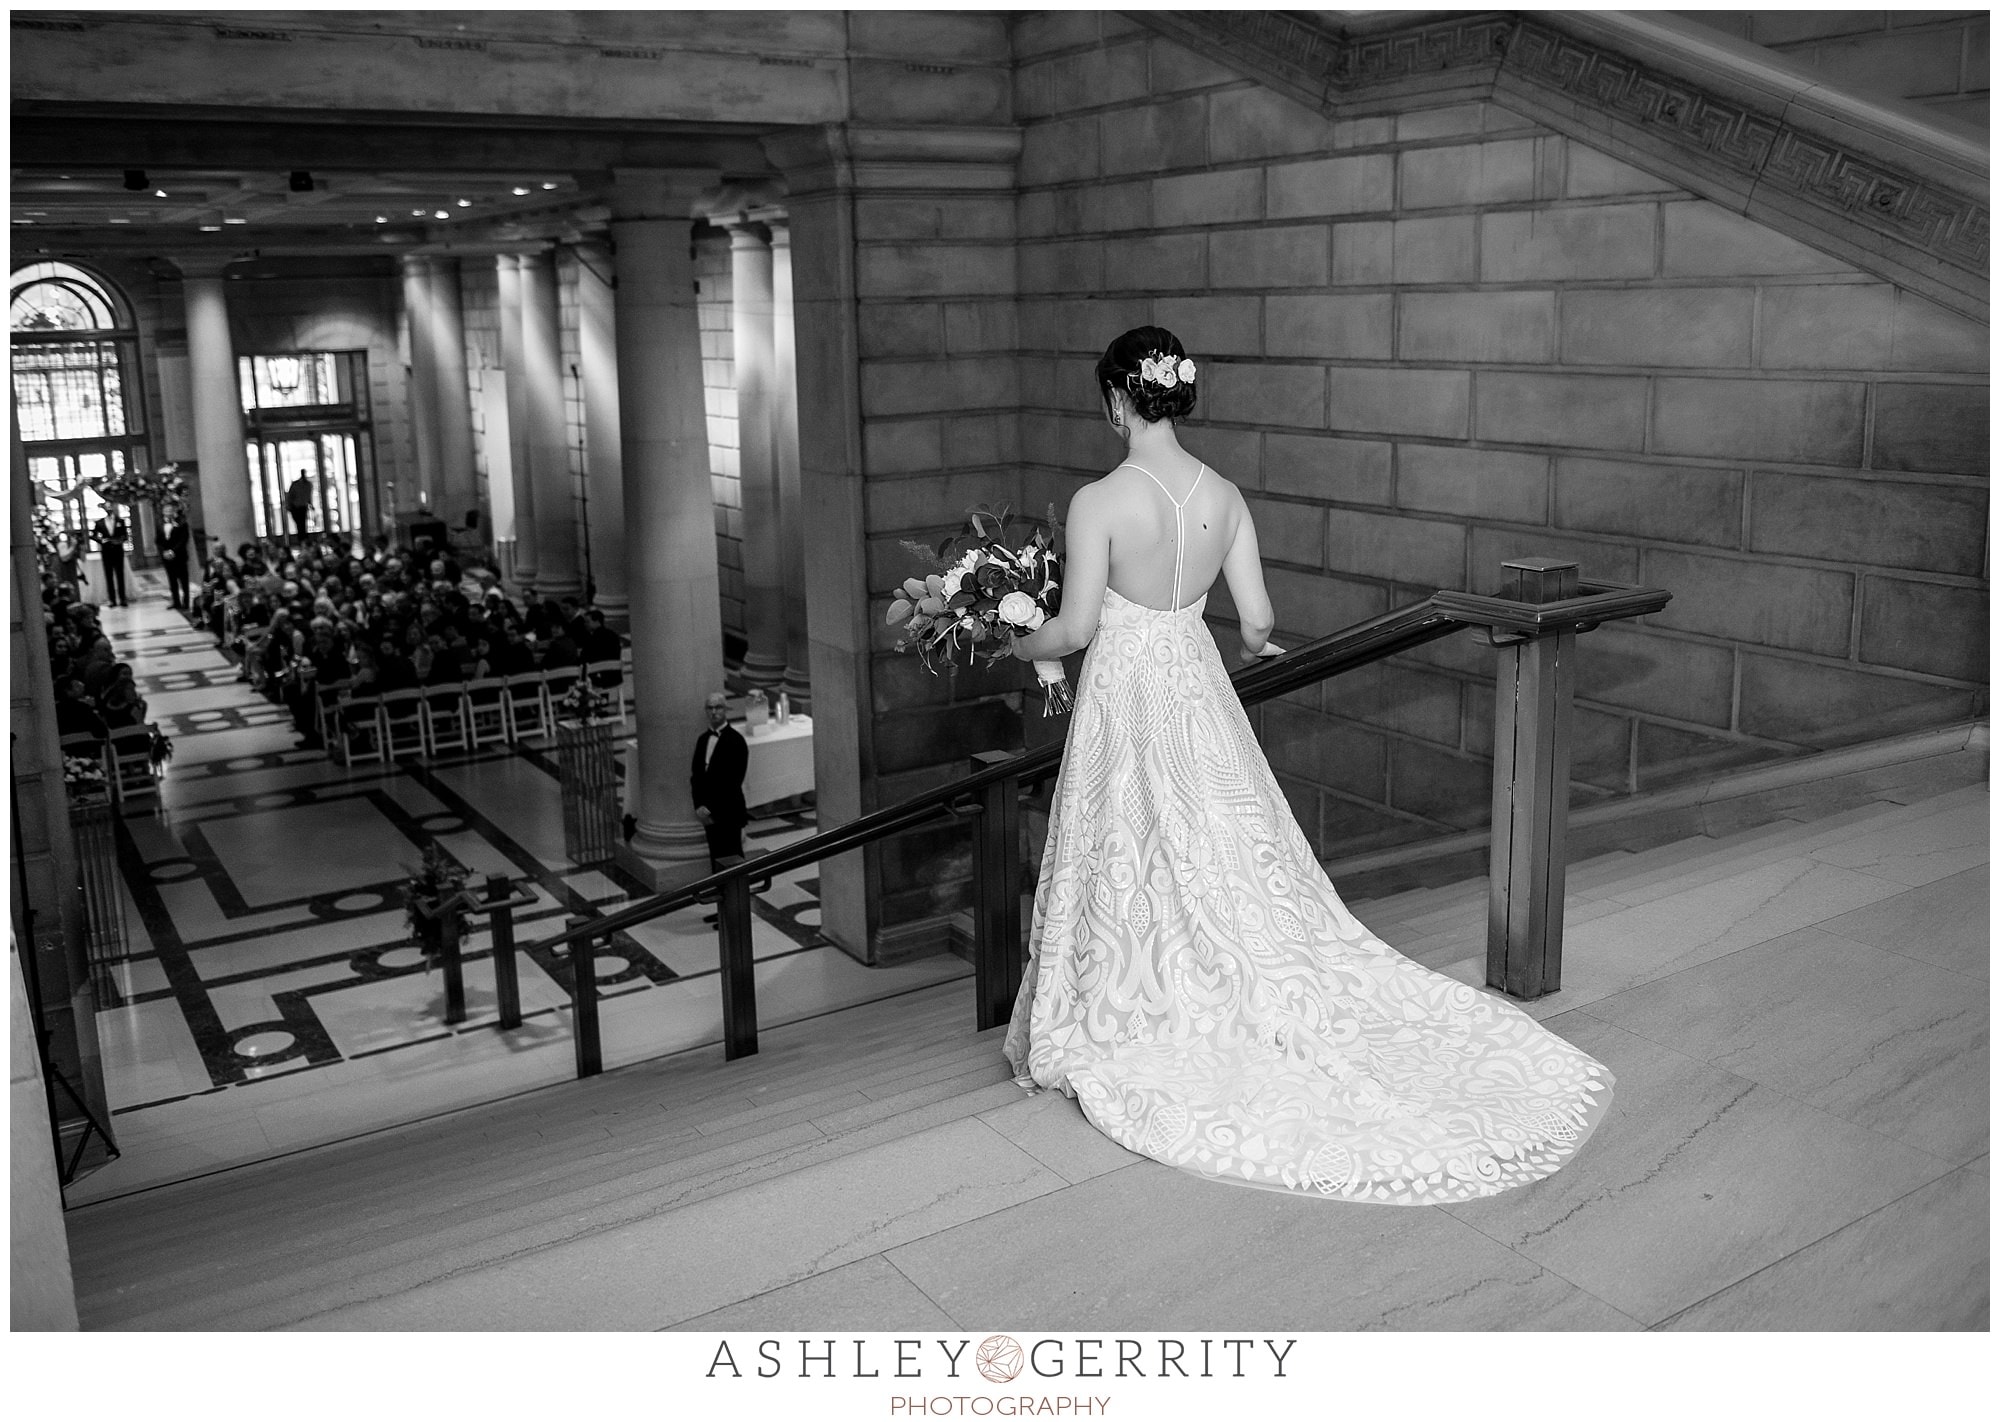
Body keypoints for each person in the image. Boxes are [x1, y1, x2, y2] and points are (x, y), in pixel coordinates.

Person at [1002, 326, 1613, 1205]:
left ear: (1117, 400)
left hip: (1128, 697)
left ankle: (1142, 994)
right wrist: (1254, 645)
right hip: (1196, 683)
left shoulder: (1098, 500)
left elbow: (1078, 628)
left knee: (1127, 842)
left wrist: (1024, 645)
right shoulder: (1226, 495)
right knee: (1223, 837)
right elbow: (1254, 622)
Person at [689, 691, 749, 922]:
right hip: (708, 813)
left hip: (728, 812)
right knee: (716, 861)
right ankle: (722, 910)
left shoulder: (736, 741)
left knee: (732, 861)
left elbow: (732, 781)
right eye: (710, 708)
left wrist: (710, 808)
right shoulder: (703, 740)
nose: (714, 712)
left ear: (726, 710)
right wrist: (699, 806)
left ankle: (737, 913)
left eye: (718, 708)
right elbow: (696, 776)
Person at [92, 511, 129, 607]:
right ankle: (112, 599)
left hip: (118, 551)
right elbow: (93, 535)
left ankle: (122, 598)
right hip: (106, 552)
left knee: (120, 575)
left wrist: (119, 540)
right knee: (109, 576)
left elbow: (125, 536)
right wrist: (101, 541)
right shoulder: (99, 522)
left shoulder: (120, 521)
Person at [160, 510, 191, 611]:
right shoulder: (160, 524)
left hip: (179, 556)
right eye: (166, 511)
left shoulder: (182, 524)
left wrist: (173, 551)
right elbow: (158, 540)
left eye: (170, 510)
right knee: (172, 581)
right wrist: (163, 552)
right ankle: (176, 602)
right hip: (167, 558)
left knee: (184, 580)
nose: (168, 513)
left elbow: (184, 539)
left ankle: (186, 602)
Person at [285, 471, 314, 542]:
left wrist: (310, 504)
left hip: (301, 507)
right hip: (296, 507)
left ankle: (303, 539)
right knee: (300, 524)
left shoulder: (307, 485)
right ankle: (302, 539)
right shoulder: (298, 485)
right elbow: (290, 496)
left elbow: (308, 496)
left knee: (301, 525)